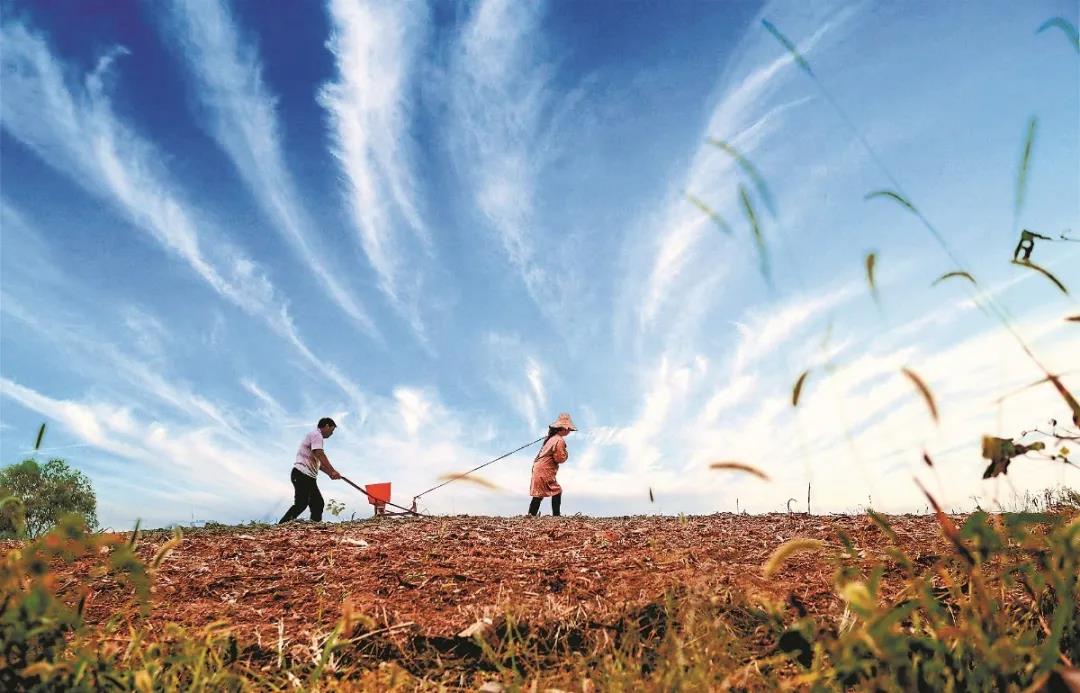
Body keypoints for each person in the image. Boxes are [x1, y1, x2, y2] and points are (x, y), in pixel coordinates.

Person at [279, 417, 342, 523]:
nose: (331, 434)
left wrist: (330, 473)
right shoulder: (316, 435)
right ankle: (282, 525)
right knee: (301, 504)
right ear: (327, 426)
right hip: (301, 473)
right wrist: (332, 470)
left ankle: (315, 526)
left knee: (317, 503)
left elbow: (318, 464)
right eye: (332, 430)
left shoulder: (315, 438)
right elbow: (320, 453)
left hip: (308, 477)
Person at [528, 413, 576, 516]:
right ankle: (556, 515)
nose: (569, 431)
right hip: (544, 470)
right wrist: (566, 454)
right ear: (564, 428)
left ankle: (530, 516)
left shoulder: (552, 438)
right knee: (557, 490)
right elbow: (560, 458)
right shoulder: (559, 440)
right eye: (569, 429)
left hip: (539, 468)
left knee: (538, 495)